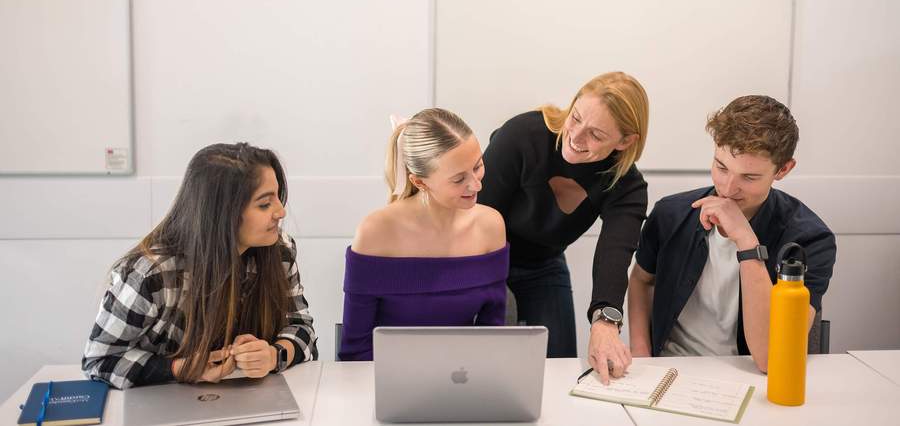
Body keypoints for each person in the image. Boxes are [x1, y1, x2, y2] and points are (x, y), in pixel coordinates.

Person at [628, 95, 837, 372]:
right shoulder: (670, 214)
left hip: (751, 375)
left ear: (783, 169)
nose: (727, 188)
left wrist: (746, 242)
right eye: (721, 167)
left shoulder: (810, 240)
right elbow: (641, 280)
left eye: (749, 177)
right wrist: (642, 355)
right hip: (669, 370)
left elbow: (771, 360)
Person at [82, 143, 318, 389]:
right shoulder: (151, 274)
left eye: (277, 198)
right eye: (264, 204)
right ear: (223, 213)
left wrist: (273, 355)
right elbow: (99, 360)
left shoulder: (279, 251)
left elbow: (301, 327)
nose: (281, 212)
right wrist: (178, 368)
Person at [478, 72, 649, 383]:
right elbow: (475, 217)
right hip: (482, 259)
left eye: (596, 135)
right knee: (485, 369)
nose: (576, 137)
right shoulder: (523, 135)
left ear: (625, 141)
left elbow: (615, 252)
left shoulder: (627, 186)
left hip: (544, 265)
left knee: (560, 371)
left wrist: (605, 322)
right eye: (576, 118)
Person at [339, 108, 508, 361]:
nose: (476, 184)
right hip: (388, 380)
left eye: (478, 166)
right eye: (459, 178)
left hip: (463, 378)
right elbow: (356, 350)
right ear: (420, 182)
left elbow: (491, 335)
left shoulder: (490, 226)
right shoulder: (375, 232)